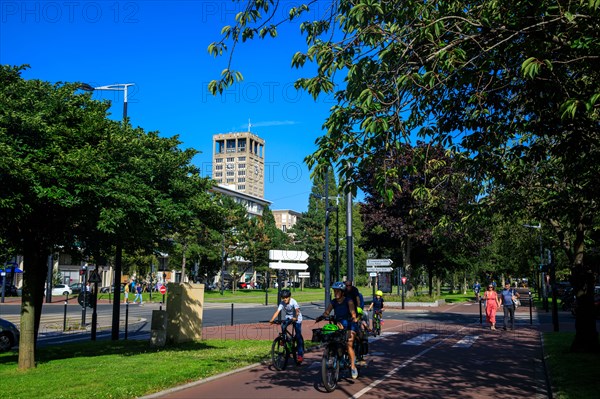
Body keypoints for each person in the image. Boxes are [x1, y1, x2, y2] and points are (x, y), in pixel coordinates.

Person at [317, 281, 359, 379]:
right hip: (339, 325)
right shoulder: (333, 302)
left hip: (349, 324)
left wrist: (353, 317)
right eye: (334, 291)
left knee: (349, 344)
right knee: (334, 341)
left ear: (342, 292)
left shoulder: (348, 301)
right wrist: (322, 317)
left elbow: (353, 312)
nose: (336, 293)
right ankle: (337, 357)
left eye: (337, 291)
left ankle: (353, 367)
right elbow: (327, 312)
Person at [269, 289, 304, 363]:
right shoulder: (282, 303)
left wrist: (295, 317)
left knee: (298, 335)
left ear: (289, 297)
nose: (285, 299)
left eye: (286, 298)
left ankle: (300, 355)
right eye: (283, 298)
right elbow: (277, 312)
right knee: (283, 325)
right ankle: (284, 339)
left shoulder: (293, 302)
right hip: (288, 317)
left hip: (297, 318)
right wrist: (272, 319)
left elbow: (297, 311)